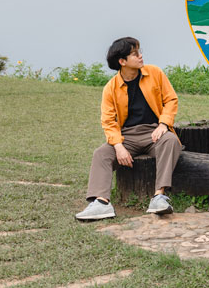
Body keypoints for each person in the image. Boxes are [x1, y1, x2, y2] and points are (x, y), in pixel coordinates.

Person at [75, 37, 182, 220]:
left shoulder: (154, 73)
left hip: (155, 132)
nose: (140, 56)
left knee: (171, 141)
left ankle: (159, 196)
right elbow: (108, 121)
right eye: (135, 54)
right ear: (122, 62)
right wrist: (118, 145)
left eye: (139, 52)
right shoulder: (111, 88)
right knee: (101, 154)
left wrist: (164, 124)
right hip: (127, 138)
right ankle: (101, 203)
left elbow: (171, 100)